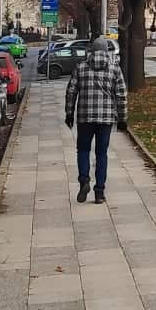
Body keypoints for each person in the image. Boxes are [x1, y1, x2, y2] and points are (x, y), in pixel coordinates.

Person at [64, 37, 127, 203]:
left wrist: (69, 113)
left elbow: (71, 91)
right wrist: (122, 118)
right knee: (101, 154)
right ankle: (99, 192)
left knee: (83, 150)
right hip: (105, 119)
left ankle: (84, 180)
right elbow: (121, 95)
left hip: (85, 118)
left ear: (91, 50)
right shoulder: (114, 69)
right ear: (106, 50)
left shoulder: (81, 67)